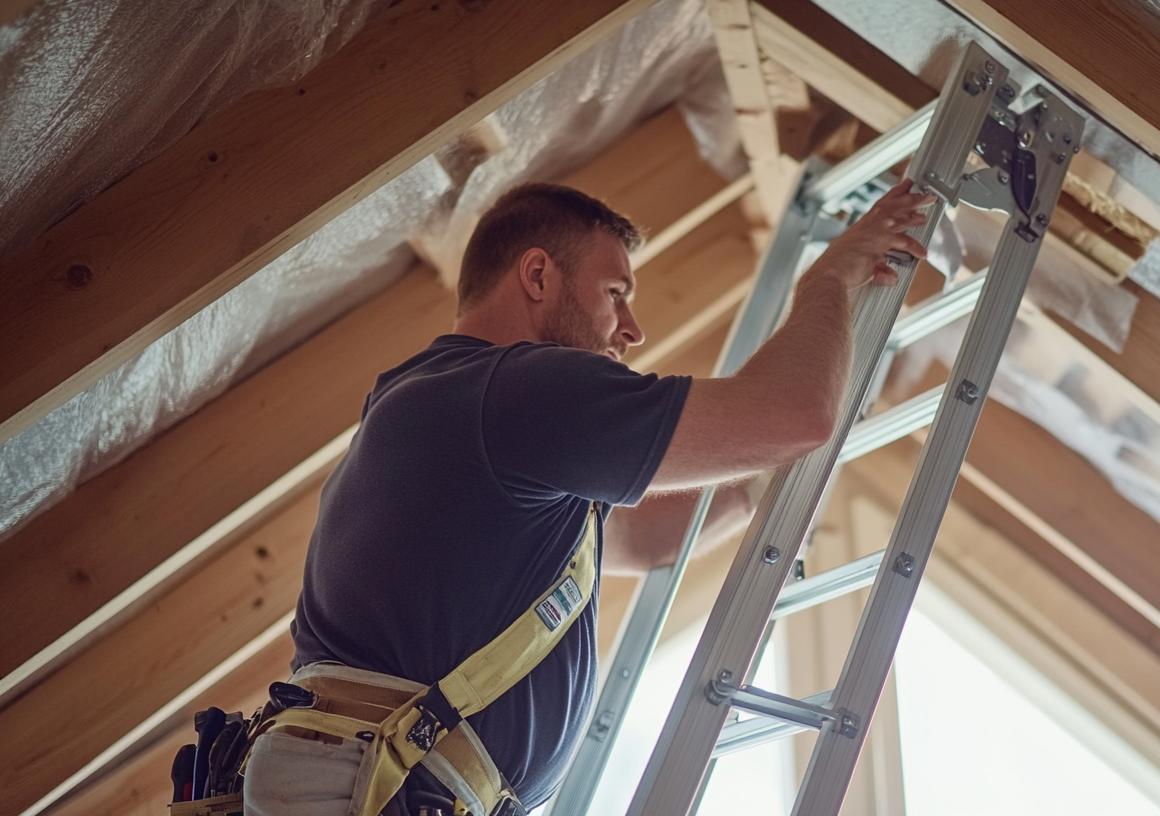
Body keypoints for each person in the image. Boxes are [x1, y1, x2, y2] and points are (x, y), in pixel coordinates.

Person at [242, 178, 930, 815]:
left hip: (389, 783)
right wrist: (828, 281)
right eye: (615, 293)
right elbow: (792, 416)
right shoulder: (515, 391)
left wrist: (775, 474)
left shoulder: (466, 411)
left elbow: (645, 538)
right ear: (539, 275)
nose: (631, 330)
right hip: (386, 785)